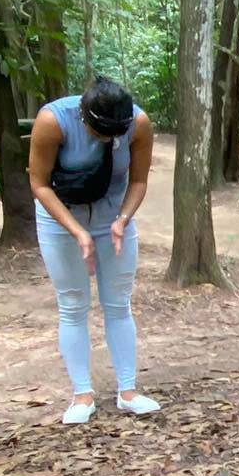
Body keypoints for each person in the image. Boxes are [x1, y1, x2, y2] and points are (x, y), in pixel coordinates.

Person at [28, 76, 158, 425]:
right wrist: (77, 232)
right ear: (85, 118)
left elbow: (139, 180)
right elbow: (39, 183)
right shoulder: (53, 121)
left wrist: (123, 220)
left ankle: (128, 391)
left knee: (119, 303)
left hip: (112, 217)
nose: (111, 140)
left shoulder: (139, 124)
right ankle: (82, 395)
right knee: (73, 304)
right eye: (103, 133)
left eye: (117, 133)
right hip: (61, 219)